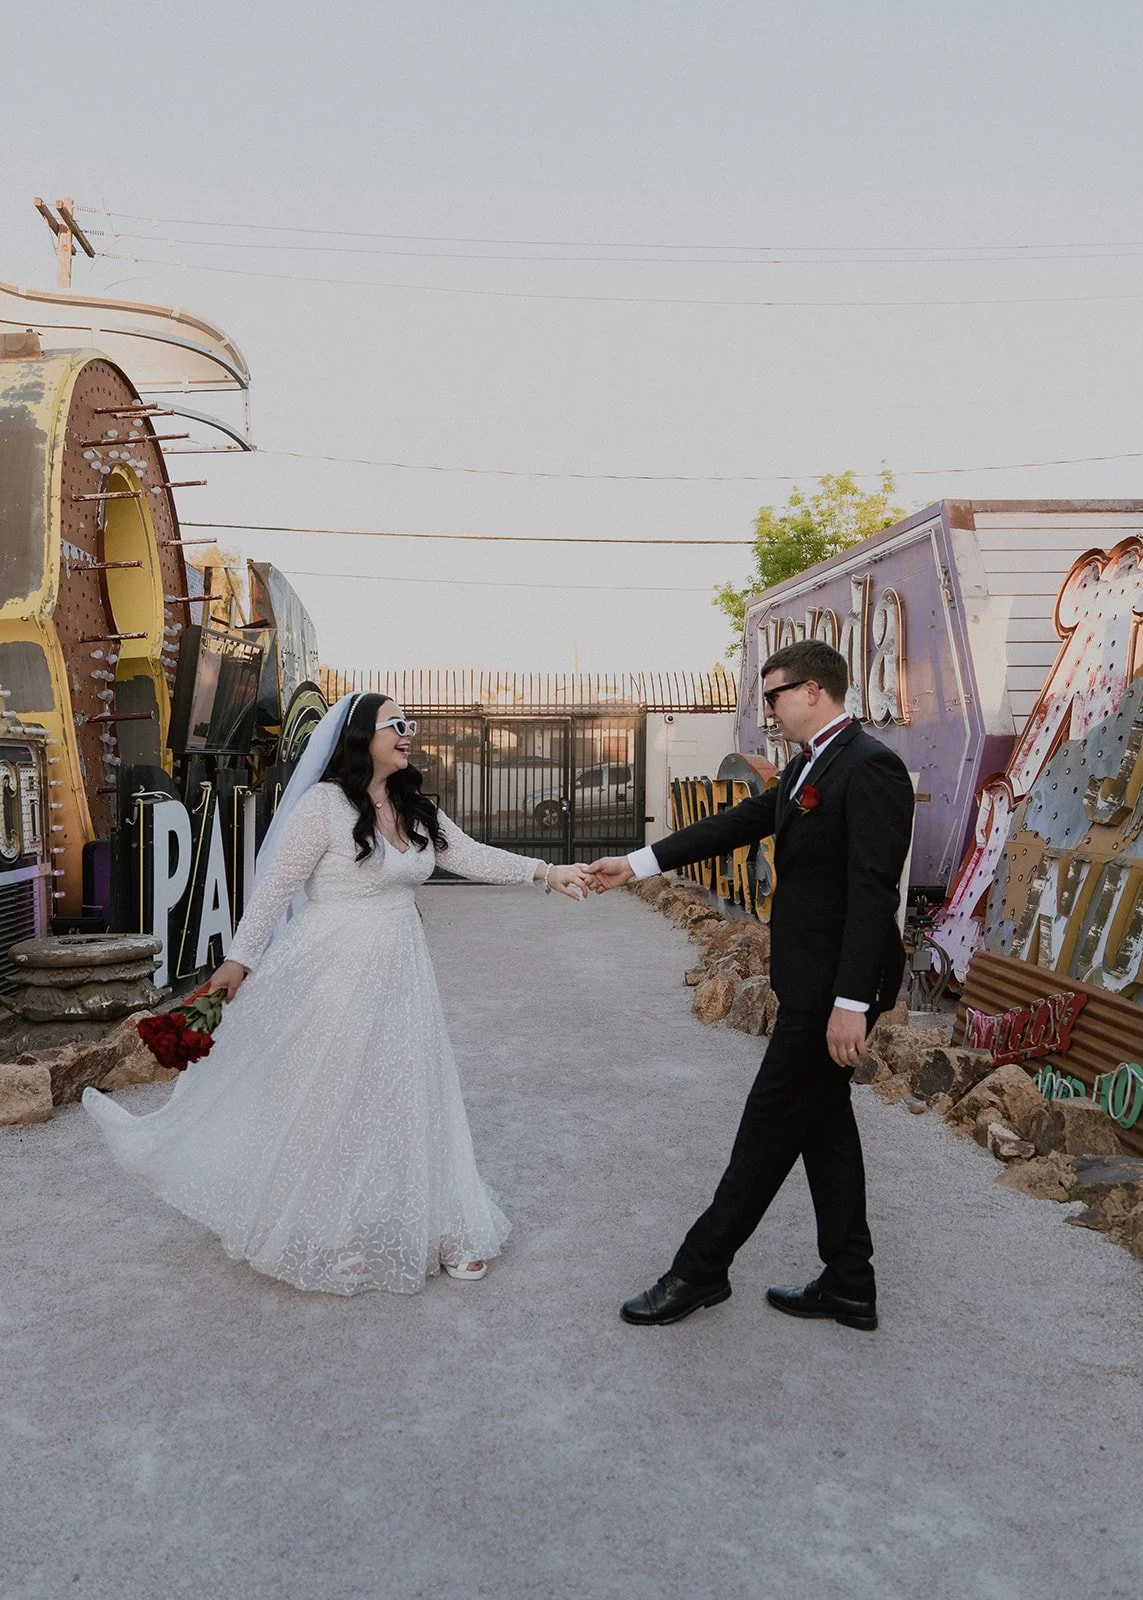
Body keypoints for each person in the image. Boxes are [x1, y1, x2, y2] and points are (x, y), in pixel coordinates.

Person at [83, 692, 589, 1296]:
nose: (409, 733)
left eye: (411, 725)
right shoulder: (323, 806)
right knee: (334, 1093)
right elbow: (274, 891)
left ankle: (445, 1221)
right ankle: (329, 1230)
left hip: (403, 974)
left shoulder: (416, 805)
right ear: (360, 737)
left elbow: (472, 855)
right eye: (397, 725)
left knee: (414, 1087)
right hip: (330, 971)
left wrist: (546, 874)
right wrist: (239, 961)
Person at [586, 640, 914, 1332]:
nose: (765, 709)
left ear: (814, 692)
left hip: (834, 990)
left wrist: (850, 1004)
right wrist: (638, 861)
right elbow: (739, 822)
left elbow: (870, 892)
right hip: (807, 979)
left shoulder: (869, 766)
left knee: (765, 1132)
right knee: (822, 1128)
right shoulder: (808, 766)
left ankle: (699, 1269)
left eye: (773, 695)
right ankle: (849, 1282)